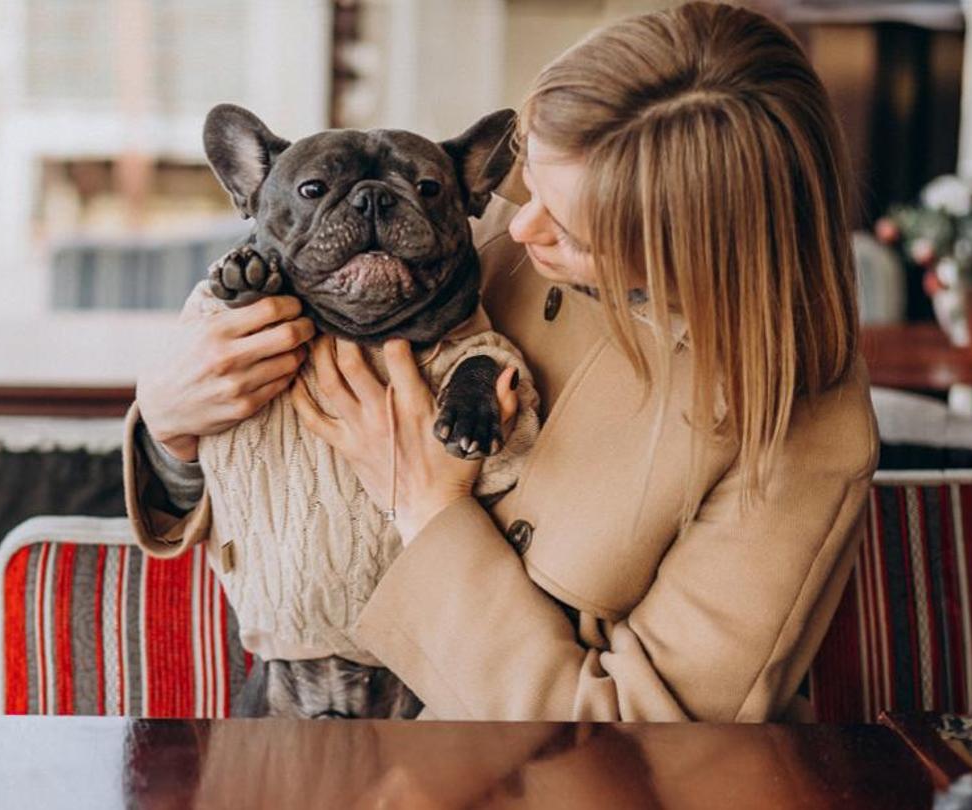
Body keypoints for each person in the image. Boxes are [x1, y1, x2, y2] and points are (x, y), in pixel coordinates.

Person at [123, 1, 876, 721]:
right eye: (529, 186)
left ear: (702, 249)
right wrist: (168, 425)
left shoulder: (797, 429)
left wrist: (425, 504)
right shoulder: (453, 244)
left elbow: (645, 737)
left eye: (576, 231)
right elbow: (263, 476)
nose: (521, 230)